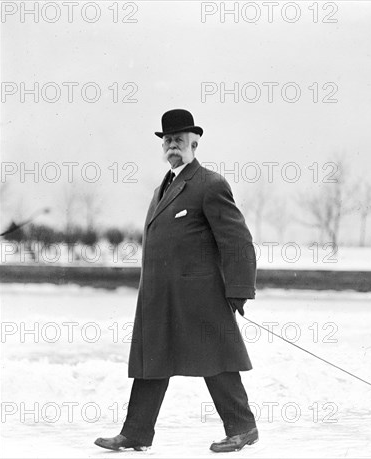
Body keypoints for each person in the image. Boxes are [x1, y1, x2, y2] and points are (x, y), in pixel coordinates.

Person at [95, 109, 258, 453]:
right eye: (167, 140)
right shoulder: (163, 187)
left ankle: (243, 428)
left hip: (200, 296)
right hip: (160, 296)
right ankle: (136, 433)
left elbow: (237, 241)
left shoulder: (210, 184)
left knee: (216, 362)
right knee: (151, 362)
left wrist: (239, 290)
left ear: (194, 144)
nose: (172, 146)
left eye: (179, 140)